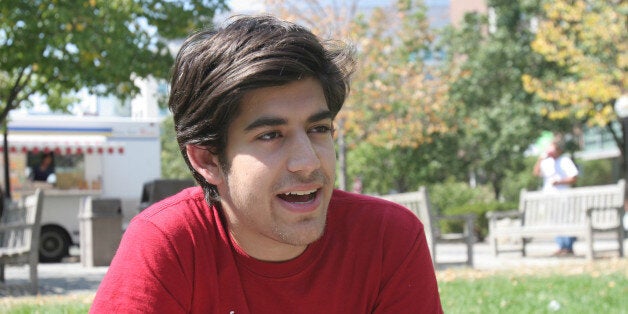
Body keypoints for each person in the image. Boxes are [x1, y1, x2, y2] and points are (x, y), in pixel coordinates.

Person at [90, 15, 442, 313]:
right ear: (208, 160)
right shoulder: (169, 242)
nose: (308, 162)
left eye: (319, 129)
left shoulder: (386, 238)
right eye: (271, 135)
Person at [533, 138, 579, 256]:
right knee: (555, 220)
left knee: (565, 220)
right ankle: (561, 246)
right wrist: (540, 158)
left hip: (563, 197)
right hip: (550, 197)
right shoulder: (546, 162)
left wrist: (559, 182)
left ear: (558, 150)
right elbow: (536, 172)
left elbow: (574, 178)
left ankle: (568, 247)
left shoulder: (565, 161)